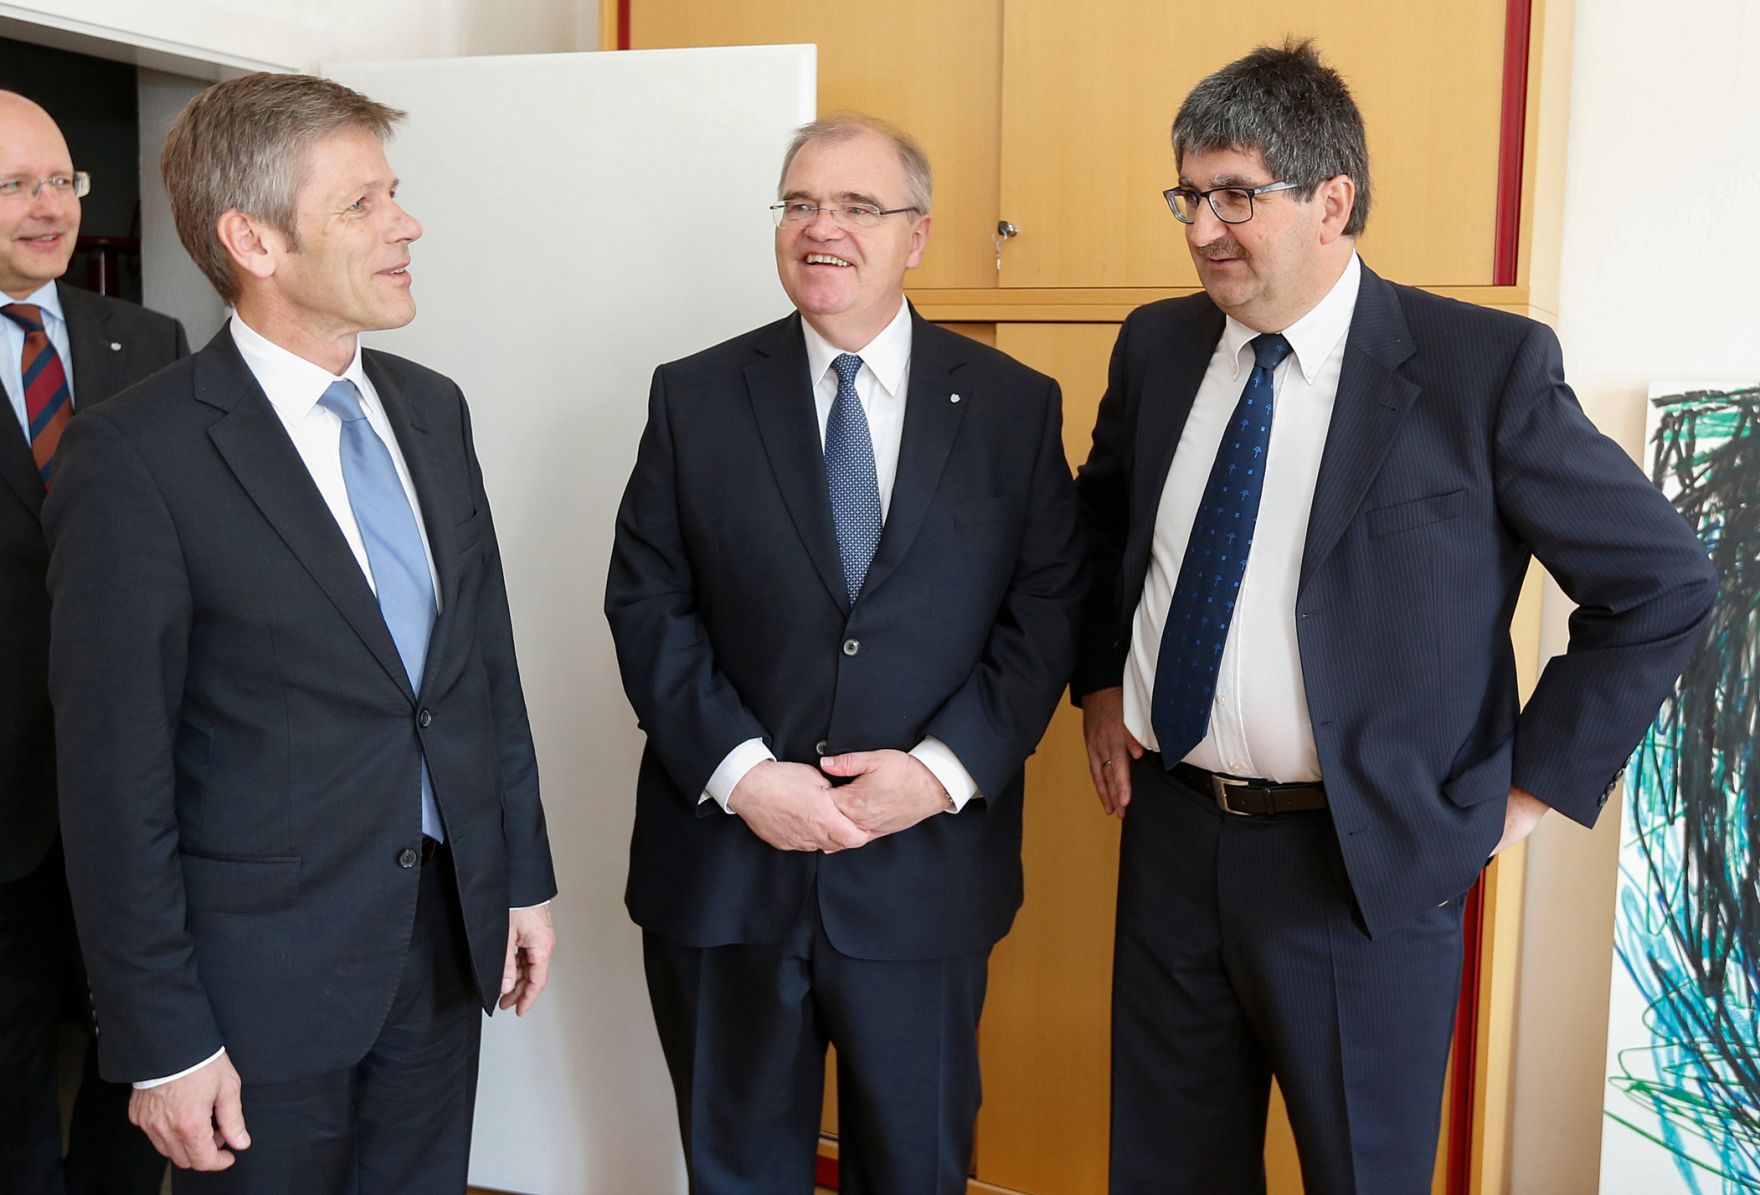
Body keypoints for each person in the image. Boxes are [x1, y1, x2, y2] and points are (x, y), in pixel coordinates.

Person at [1072, 41, 1716, 1194]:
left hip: (1361, 865)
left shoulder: (1481, 368)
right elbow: (1099, 528)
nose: (1201, 229)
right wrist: (1099, 683)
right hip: (1170, 839)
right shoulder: (1157, 345)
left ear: (1333, 201)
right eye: (1188, 194)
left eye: (1234, 195)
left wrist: (1521, 793)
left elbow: (1662, 584)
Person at [43, 72, 556, 1192]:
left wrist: (517, 874)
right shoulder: (135, 457)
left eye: (395, 193)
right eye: (362, 204)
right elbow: (109, 779)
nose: (405, 224)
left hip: (438, 944)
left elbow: (478, 673)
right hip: (252, 988)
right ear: (253, 240)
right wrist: (162, 1038)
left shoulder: (432, 407)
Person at [605, 113, 1084, 1194]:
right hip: (725, 875)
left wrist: (940, 773)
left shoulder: (1011, 407)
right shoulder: (692, 396)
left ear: (916, 235)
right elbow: (646, 602)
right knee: (734, 1174)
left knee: (913, 1169)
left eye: (857, 206)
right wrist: (740, 776)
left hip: (923, 878)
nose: (821, 229)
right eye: (799, 203)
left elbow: (1046, 608)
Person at [0, 89, 187, 1195]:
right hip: (4, 796)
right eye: (14, 185)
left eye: (61, 180)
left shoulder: (147, 340)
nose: (48, 207)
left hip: (138, 783)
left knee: (142, 1040)